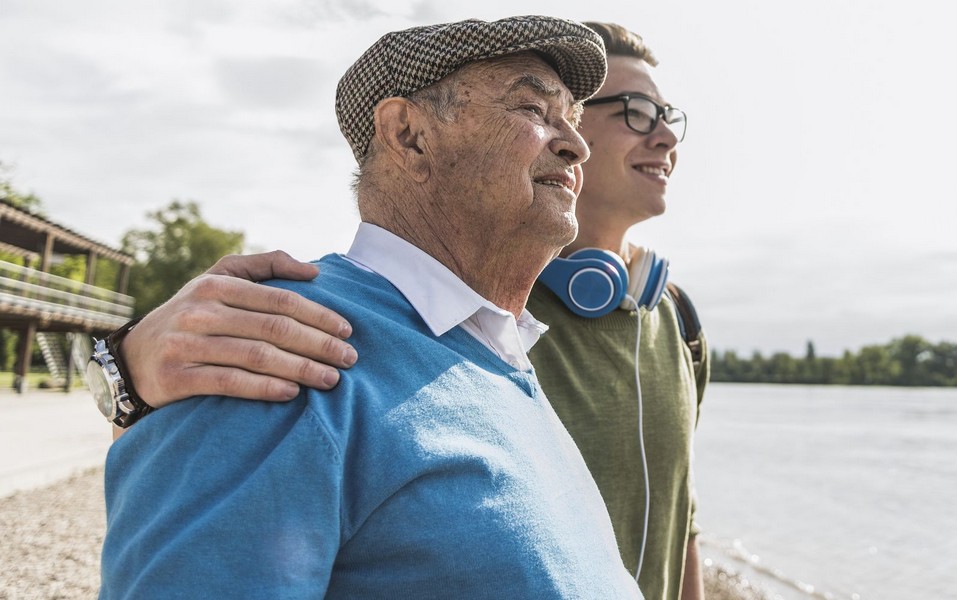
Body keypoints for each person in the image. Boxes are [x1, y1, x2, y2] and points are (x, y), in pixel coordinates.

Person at [98, 21, 706, 600]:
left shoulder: (499, 353)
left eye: (571, 119)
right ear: (409, 135)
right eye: (533, 110)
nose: (575, 146)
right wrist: (119, 368)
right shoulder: (281, 351)